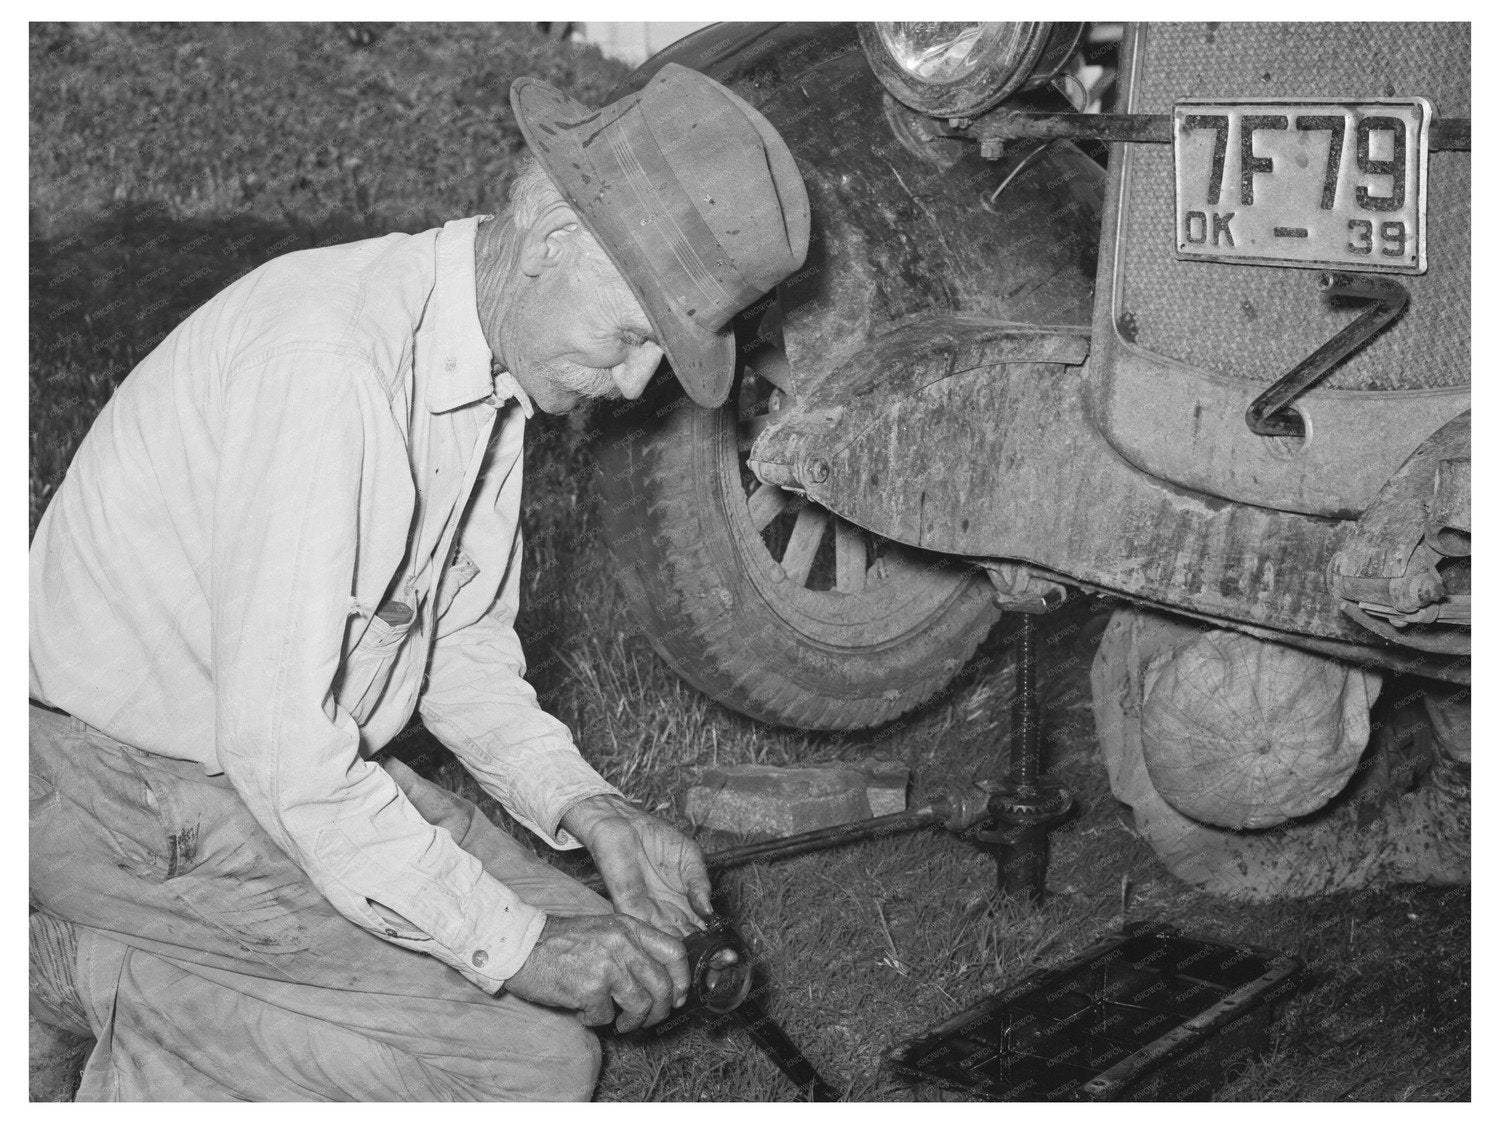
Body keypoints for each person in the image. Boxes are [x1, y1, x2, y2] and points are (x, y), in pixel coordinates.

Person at [29, 63, 810, 1101]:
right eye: (632, 337)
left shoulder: (481, 373)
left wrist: (594, 809)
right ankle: (83, 972)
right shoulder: (331, 367)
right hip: (119, 792)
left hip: (255, 763)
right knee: (535, 1058)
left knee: (597, 945)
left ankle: (160, 985)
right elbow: (286, 754)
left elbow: (458, 655)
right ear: (555, 241)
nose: (630, 385)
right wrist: (518, 946)